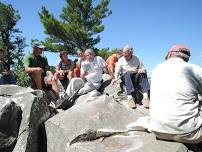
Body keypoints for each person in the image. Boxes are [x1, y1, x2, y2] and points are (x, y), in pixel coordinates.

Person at [150, 44, 202, 144]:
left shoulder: (157, 68)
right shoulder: (195, 69)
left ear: (169, 55)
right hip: (189, 134)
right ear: (186, 59)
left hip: (157, 130)